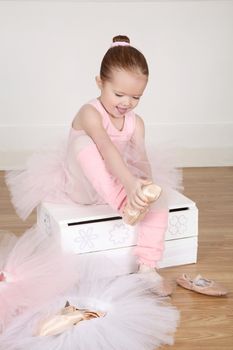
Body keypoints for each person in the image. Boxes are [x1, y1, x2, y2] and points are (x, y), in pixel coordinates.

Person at [6, 35, 182, 296]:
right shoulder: (90, 113)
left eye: (136, 97)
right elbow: (106, 147)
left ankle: (147, 267)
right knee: (83, 145)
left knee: (159, 200)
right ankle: (126, 203)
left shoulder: (137, 123)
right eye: (119, 94)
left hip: (120, 183)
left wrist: (144, 185)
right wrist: (129, 186)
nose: (126, 103)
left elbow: (141, 157)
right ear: (100, 82)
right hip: (84, 188)